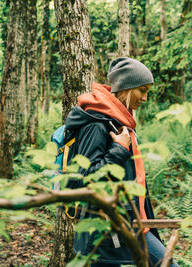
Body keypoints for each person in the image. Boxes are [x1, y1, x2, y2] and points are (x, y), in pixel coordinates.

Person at [63, 57, 179, 267]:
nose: (145, 98)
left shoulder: (121, 121)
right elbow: (85, 180)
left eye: (147, 91)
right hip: (108, 232)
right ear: (125, 88)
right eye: (142, 90)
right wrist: (119, 149)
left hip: (133, 225)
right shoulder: (96, 124)